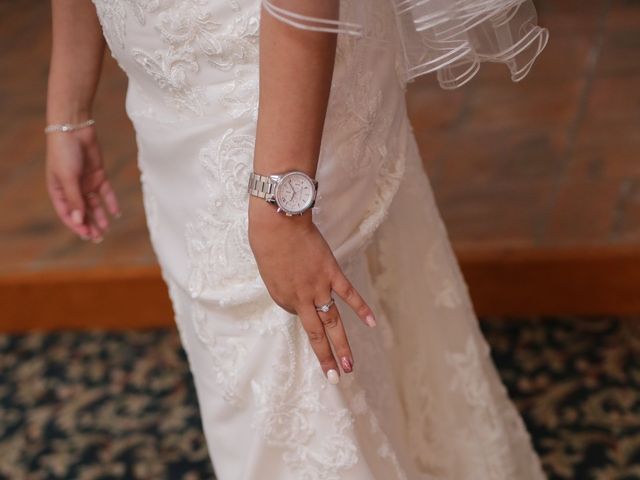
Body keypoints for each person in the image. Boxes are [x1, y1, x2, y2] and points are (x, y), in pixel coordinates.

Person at [45, 0, 549, 478]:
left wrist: (280, 206)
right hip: (171, 102)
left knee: (294, 395)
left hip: (266, 90)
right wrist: (67, 111)